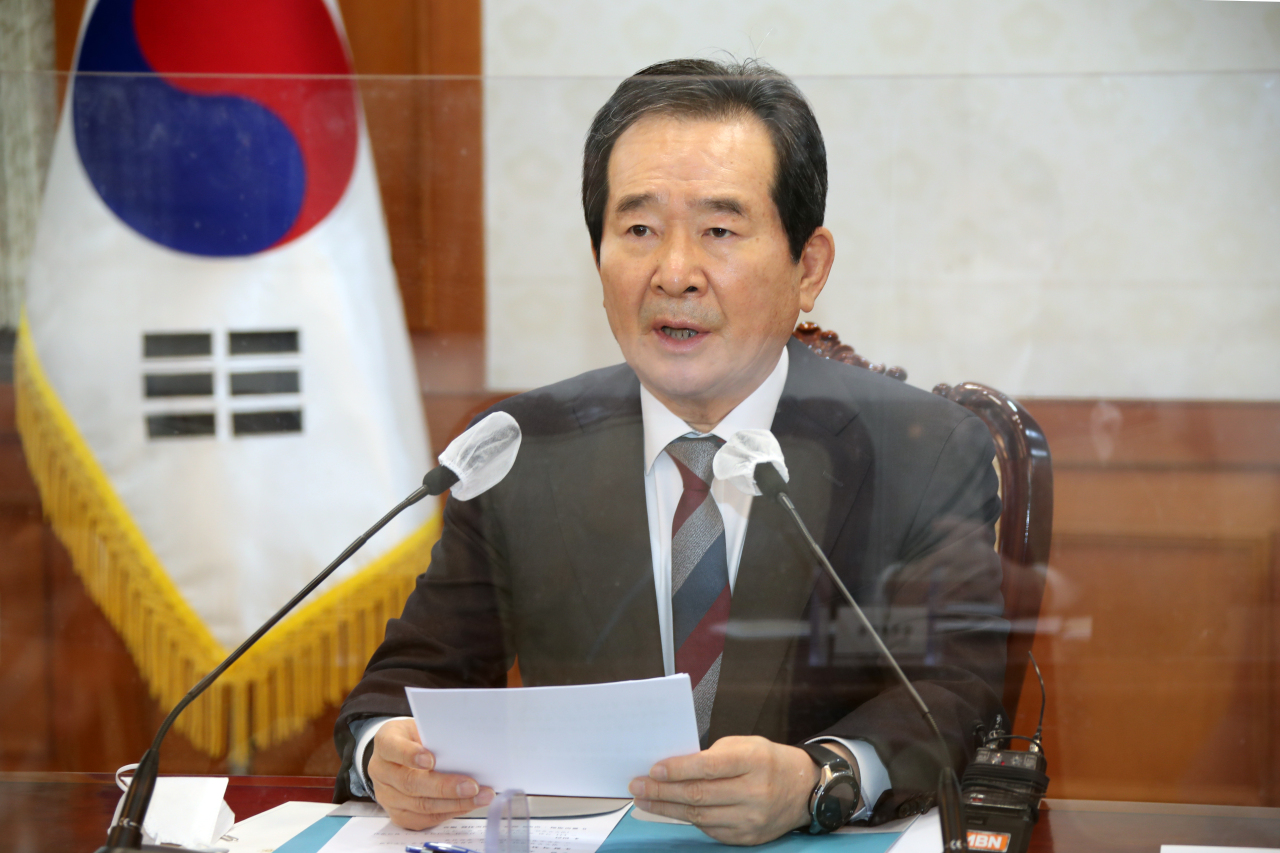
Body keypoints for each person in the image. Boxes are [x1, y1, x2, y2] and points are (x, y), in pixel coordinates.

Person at [333, 58, 1007, 846]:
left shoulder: (918, 450)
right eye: (639, 230)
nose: (675, 273)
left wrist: (821, 776)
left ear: (808, 267)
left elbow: (955, 690)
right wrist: (386, 752)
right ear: (598, 258)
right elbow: (402, 689)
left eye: (720, 230)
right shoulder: (521, 451)